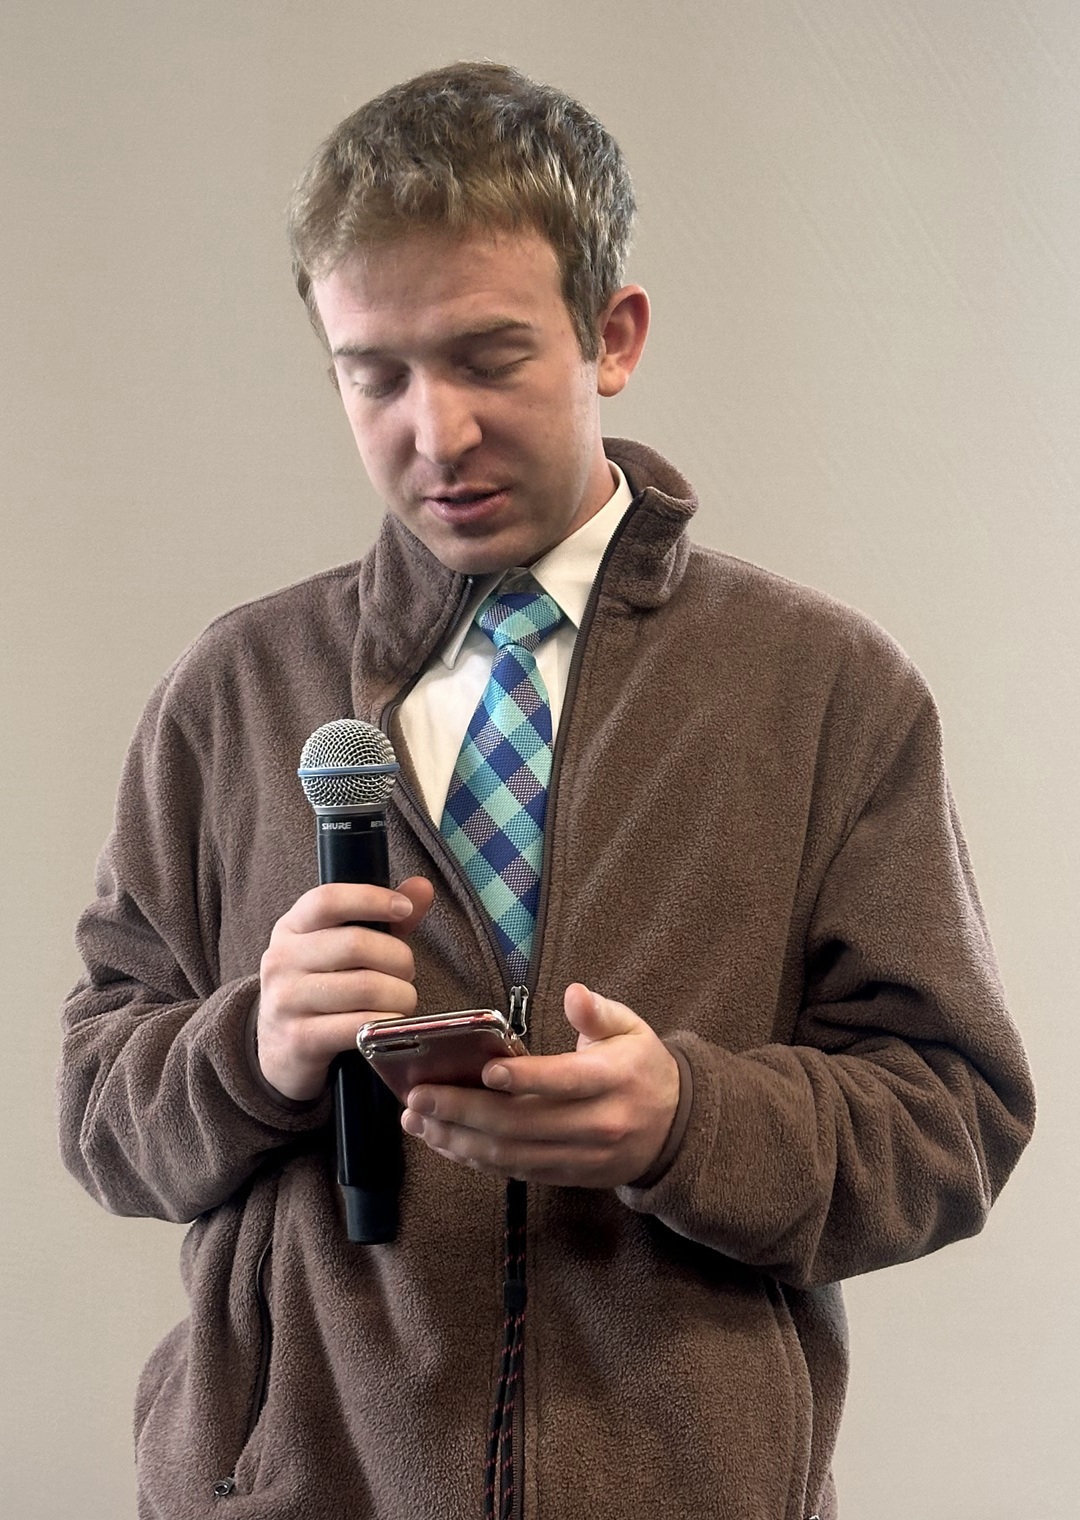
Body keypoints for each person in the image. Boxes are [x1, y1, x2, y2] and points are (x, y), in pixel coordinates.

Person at [58, 61, 1035, 1520]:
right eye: (376, 374)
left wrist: (687, 1123)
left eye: (488, 357)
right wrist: (249, 1047)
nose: (434, 432)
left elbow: (951, 1120)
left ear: (611, 336)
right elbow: (99, 1106)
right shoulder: (236, 688)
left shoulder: (826, 689)